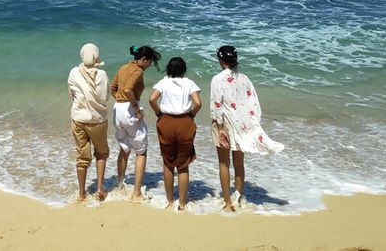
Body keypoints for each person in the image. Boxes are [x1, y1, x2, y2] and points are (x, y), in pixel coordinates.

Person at [210, 45, 284, 211]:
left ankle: (228, 203)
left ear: (221, 60)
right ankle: (238, 196)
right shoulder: (245, 79)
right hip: (242, 125)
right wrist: (251, 126)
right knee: (239, 162)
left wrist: (220, 128)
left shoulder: (217, 79)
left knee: (223, 163)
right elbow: (255, 105)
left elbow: (217, 106)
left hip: (225, 124)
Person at [149, 57, 201, 210]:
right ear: (183, 70)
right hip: (185, 121)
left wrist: (159, 114)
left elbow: (152, 99)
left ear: (169, 69)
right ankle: (183, 203)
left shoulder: (163, 82)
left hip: (167, 122)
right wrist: (192, 115)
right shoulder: (189, 83)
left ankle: (170, 201)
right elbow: (198, 103)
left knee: (168, 162)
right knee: (183, 164)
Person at [110, 45, 161, 201]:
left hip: (118, 109)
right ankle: (137, 193)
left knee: (124, 148)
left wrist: (120, 102)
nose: (150, 65)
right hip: (129, 109)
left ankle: (120, 184)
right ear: (143, 60)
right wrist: (135, 109)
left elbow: (113, 88)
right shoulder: (137, 71)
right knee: (141, 151)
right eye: (150, 62)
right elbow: (128, 90)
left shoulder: (123, 67)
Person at [68, 43, 110, 201]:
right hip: (98, 120)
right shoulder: (102, 74)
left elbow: (71, 94)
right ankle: (99, 189)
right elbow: (106, 96)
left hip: (79, 119)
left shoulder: (74, 72)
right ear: (96, 56)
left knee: (82, 156)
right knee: (101, 153)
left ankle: (81, 193)